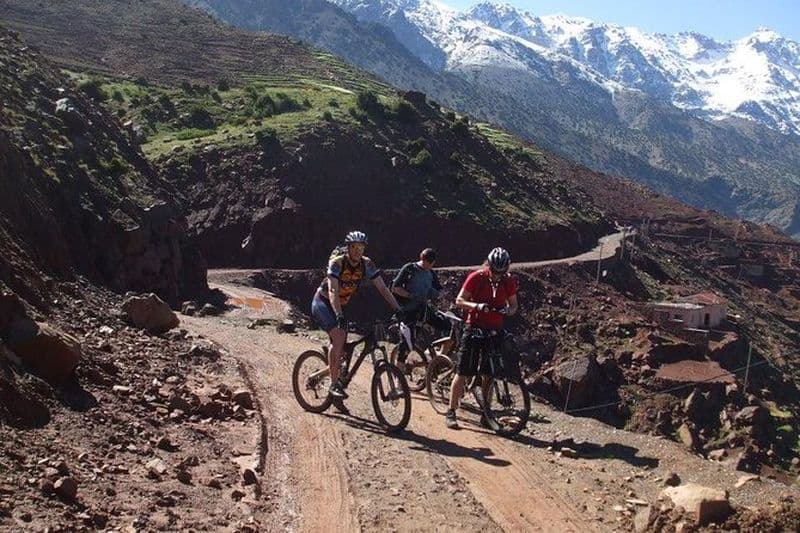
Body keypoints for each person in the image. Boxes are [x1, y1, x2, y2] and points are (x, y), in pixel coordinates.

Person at [311, 230, 401, 400]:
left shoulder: (367, 264)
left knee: (347, 347)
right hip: (324, 303)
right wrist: (338, 314)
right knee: (339, 336)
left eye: (361, 248)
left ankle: (332, 372)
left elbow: (382, 288)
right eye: (355, 247)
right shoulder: (337, 263)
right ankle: (333, 384)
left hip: (343, 304)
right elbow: (332, 290)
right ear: (348, 247)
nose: (358, 251)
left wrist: (397, 309)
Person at [445, 247, 518, 430]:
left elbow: (514, 305)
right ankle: (451, 411)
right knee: (463, 372)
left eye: (501, 272)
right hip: (475, 327)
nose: (496, 275)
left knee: (489, 374)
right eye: (494, 271)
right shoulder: (476, 277)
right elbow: (459, 300)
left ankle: (486, 413)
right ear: (488, 265)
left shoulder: (507, 281)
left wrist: (507, 310)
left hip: (494, 330)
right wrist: (476, 306)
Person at [391, 248, 450, 369]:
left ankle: (438, 360)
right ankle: (398, 374)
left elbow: (438, 290)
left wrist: (436, 294)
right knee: (407, 342)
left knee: (448, 326)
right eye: (425, 262)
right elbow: (395, 287)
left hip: (423, 309)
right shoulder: (409, 269)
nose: (426, 265)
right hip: (408, 310)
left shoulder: (431, 273)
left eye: (429, 263)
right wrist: (410, 296)